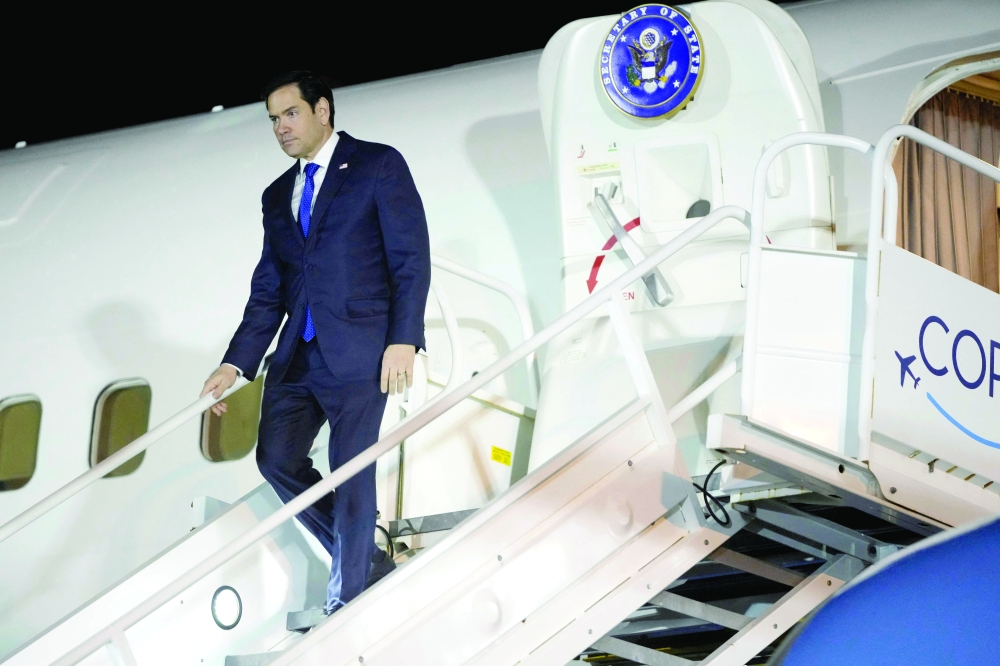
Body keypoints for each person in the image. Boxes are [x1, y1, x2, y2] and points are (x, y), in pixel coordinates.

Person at [201, 70, 431, 615]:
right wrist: (235, 363)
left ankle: (346, 596)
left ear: (322, 111)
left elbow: (409, 258)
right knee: (276, 458)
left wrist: (404, 339)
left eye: (290, 114)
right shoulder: (277, 195)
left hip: (362, 349)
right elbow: (269, 289)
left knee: (351, 468)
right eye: (273, 120)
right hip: (298, 356)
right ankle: (362, 559)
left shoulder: (377, 165)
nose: (281, 128)